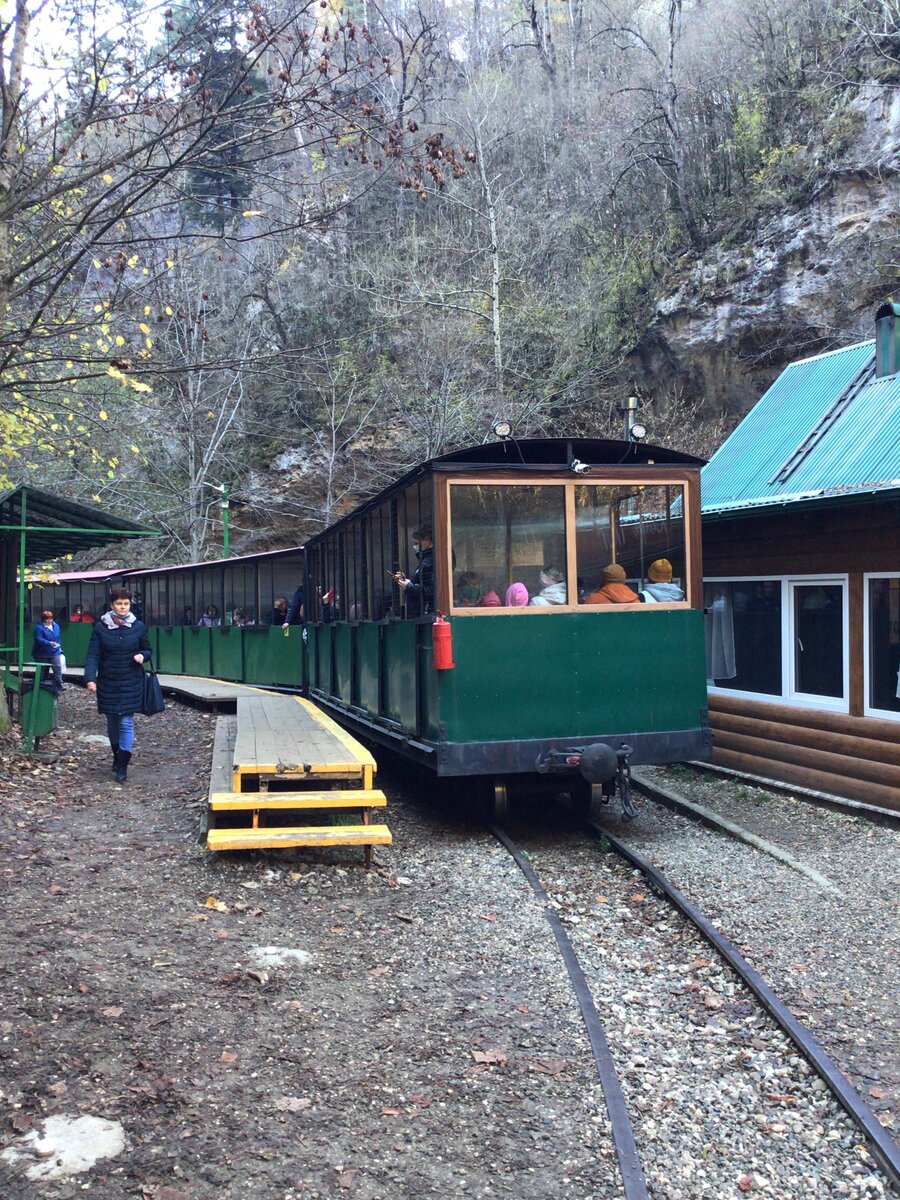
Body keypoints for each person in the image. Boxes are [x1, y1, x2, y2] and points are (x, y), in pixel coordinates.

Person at [84, 588, 152, 784]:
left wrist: (143, 656)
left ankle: (122, 765)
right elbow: (92, 655)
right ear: (112, 605)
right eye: (119, 604)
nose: (123, 607)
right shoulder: (100, 628)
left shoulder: (138, 627)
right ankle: (117, 755)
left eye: (126, 604)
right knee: (112, 720)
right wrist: (90, 678)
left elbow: (148, 649)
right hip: (108, 680)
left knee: (126, 722)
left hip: (131, 680)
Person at [392, 524, 434, 615]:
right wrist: (406, 582)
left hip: (426, 612)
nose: (415, 547)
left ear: (426, 540)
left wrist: (410, 587)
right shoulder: (425, 560)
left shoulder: (431, 560)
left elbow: (432, 590)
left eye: (416, 543)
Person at [32, 610, 64, 696]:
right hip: (42, 653)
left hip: (55, 652)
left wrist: (59, 647)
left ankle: (59, 687)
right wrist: (49, 643)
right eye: (47, 619)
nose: (49, 621)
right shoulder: (39, 628)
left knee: (57, 668)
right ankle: (40, 689)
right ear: (43, 619)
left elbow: (58, 637)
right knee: (42, 671)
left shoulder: (56, 626)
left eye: (50, 619)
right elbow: (38, 639)